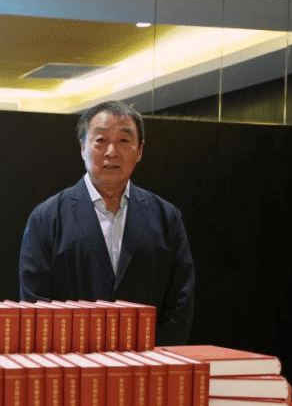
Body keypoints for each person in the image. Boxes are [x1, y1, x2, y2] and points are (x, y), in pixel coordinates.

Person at [18, 100, 195, 345]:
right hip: (72, 366)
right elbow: (35, 303)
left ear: (140, 150)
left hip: (148, 367)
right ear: (83, 148)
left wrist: (156, 360)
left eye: (124, 140)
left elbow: (180, 303)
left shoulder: (166, 217)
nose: (112, 151)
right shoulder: (47, 217)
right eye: (100, 140)